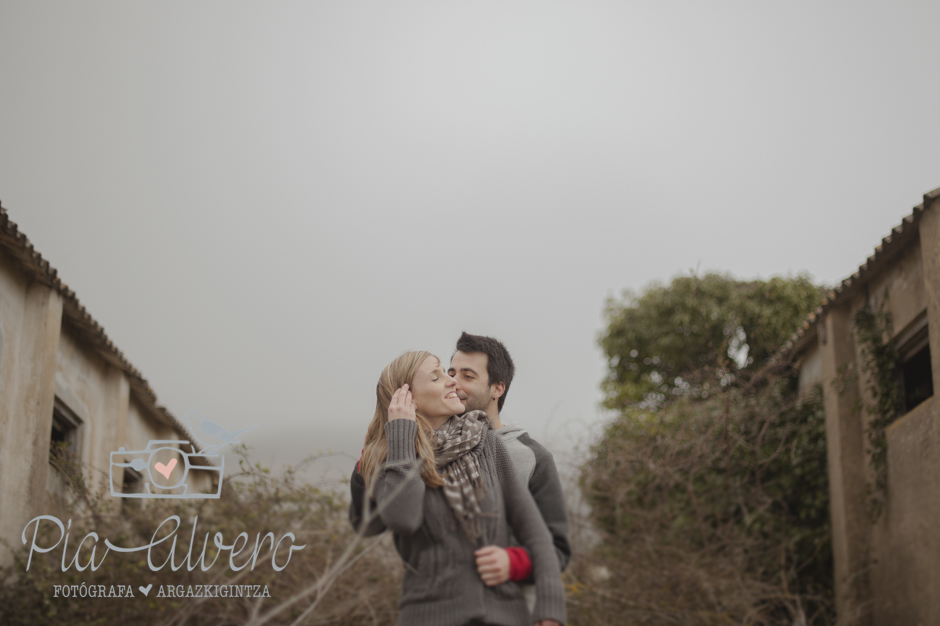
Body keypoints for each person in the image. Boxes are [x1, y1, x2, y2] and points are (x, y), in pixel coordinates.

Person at [355, 350, 565, 626]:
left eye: (448, 372)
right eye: (437, 376)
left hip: (507, 617)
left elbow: (536, 534)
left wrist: (550, 611)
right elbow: (404, 519)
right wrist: (402, 440)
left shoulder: (487, 444)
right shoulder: (391, 461)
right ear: (409, 399)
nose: (452, 381)